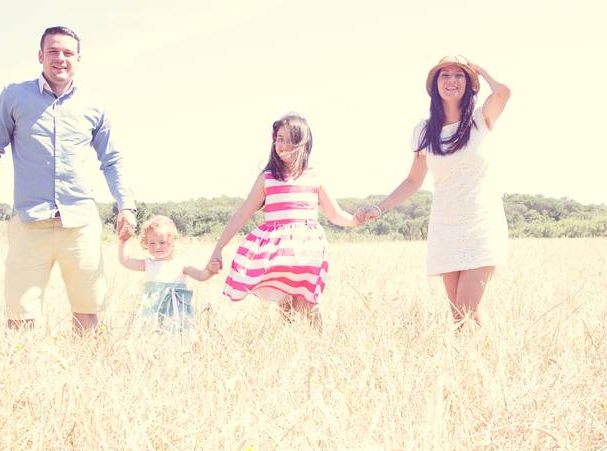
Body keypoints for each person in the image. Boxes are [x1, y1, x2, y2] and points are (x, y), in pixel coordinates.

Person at [0, 26, 138, 333]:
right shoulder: (15, 96)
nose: (60, 59)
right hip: (31, 222)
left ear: (78, 59)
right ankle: (25, 376)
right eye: (53, 51)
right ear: (40, 56)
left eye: (68, 53)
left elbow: (112, 159)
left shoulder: (95, 104)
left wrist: (127, 205)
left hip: (80, 223)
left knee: (89, 313)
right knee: (20, 316)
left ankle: (86, 376)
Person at [360, 55, 511, 326]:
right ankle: (479, 363)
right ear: (434, 85)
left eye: (459, 75)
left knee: (466, 308)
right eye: (445, 75)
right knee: (460, 317)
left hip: (481, 224)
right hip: (445, 226)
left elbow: (503, 92)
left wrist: (479, 70)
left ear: (469, 84)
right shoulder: (424, 131)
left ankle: (493, 362)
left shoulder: (481, 119)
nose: (452, 80)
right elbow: (412, 181)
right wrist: (379, 207)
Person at [207, 113, 372, 327]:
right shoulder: (267, 179)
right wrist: (218, 248)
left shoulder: (314, 177)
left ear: (303, 143)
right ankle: (290, 345)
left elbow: (334, 214)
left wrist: (355, 221)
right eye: (279, 138)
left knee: (307, 299)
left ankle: (321, 344)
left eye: (289, 139)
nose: (282, 144)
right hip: (278, 249)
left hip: (307, 247)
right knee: (284, 301)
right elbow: (242, 214)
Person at [117, 215, 215, 332]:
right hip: (152, 309)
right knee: (152, 334)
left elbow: (200, 276)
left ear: (172, 242)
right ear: (146, 243)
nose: (157, 246)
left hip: (175, 310)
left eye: (162, 242)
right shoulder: (148, 264)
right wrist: (123, 241)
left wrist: (211, 271)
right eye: (152, 243)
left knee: (175, 334)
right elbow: (125, 261)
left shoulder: (181, 264)